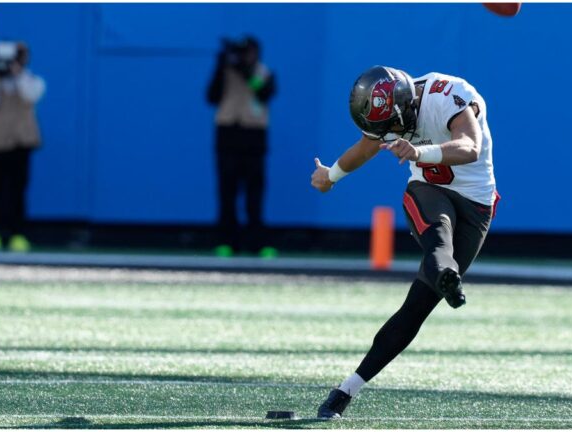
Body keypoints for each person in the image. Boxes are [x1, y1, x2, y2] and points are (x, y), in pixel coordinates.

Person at [310, 65, 499, 419]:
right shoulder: (391, 114)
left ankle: (446, 275)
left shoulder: (448, 95)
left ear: (406, 107)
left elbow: (469, 146)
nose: (387, 135)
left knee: (417, 306)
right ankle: (345, 391)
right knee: (438, 243)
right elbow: (366, 147)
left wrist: (418, 153)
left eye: (391, 127)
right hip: (429, 190)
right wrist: (330, 176)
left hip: (475, 202)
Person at [206, 36, 276, 256]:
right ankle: (227, 241)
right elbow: (211, 97)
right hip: (228, 136)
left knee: (254, 194)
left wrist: (244, 70)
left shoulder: (265, 73)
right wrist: (221, 65)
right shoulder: (225, 73)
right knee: (227, 192)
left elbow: (263, 93)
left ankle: (256, 242)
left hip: (254, 138)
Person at [0, 41, 46, 252]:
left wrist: (17, 72)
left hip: (21, 143)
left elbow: (31, 95)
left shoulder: (30, 80)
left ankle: (17, 234)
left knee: (17, 190)